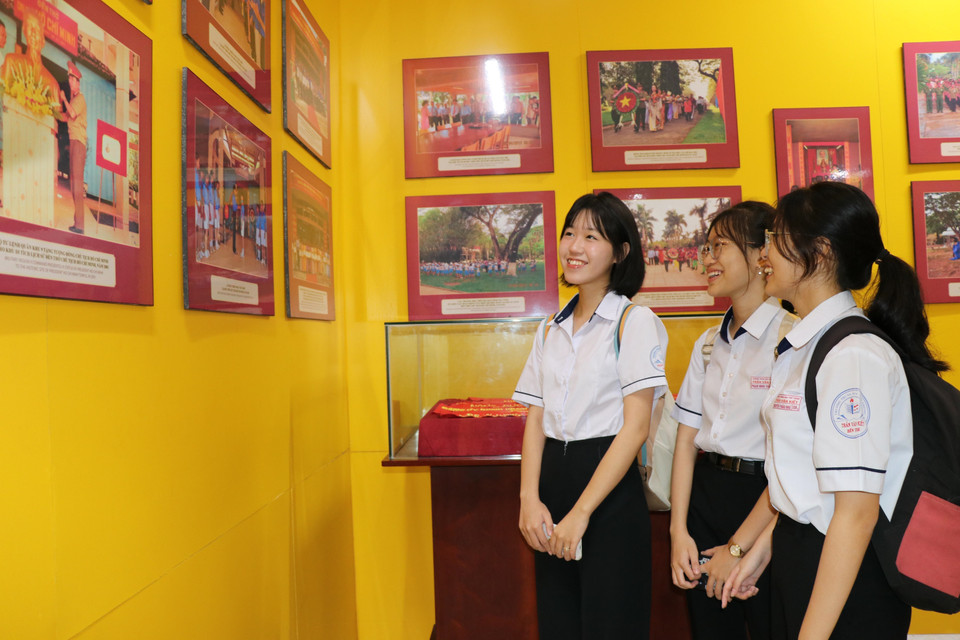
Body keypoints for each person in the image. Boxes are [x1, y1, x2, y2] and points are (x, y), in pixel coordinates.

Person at [721, 182, 947, 639]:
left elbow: (855, 514)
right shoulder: (807, 344)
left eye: (774, 238)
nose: (763, 254)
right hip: (803, 553)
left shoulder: (853, 356)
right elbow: (806, 481)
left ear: (819, 252)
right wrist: (765, 545)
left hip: (847, 573)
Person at [514, 192, 668, 639]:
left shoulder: (634, 321)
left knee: (611, 625)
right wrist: (528, 500)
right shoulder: (550, 327)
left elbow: (635, 428)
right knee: (559, 624)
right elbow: (536, 418)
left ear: (620, 252)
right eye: (569, 233)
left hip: (608, 493)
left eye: (591, 237)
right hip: (552, 489)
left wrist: (582, 512)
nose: (574, 246)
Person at [669, 202, 789, 640]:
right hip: (705, 499)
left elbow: (796, 465)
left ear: (761, 254)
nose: (708, 258)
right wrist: (678, 531)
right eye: (707, 247)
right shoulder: (707, 345)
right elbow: (686, 442)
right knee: (711, 629)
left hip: (768, 503)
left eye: (720, 246)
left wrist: (741, 548)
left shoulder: (791, 339)